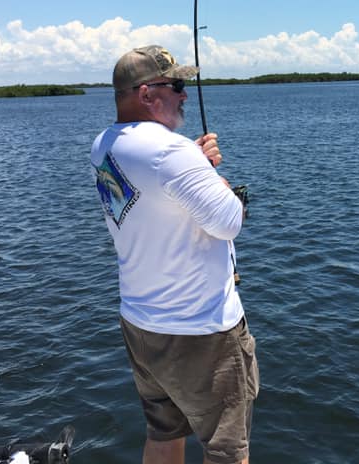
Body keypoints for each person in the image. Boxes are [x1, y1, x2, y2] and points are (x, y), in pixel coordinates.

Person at [90, 45, 258, 464]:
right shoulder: (172, 151)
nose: (184, 94)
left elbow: (156, 191)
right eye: (176, 85)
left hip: (142, 325)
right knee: (227, 452)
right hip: (201, 330)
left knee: (164, 435)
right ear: (146, 94)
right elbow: (229, 221)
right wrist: (215, 178)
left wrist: (196, 167)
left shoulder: (105, 145)